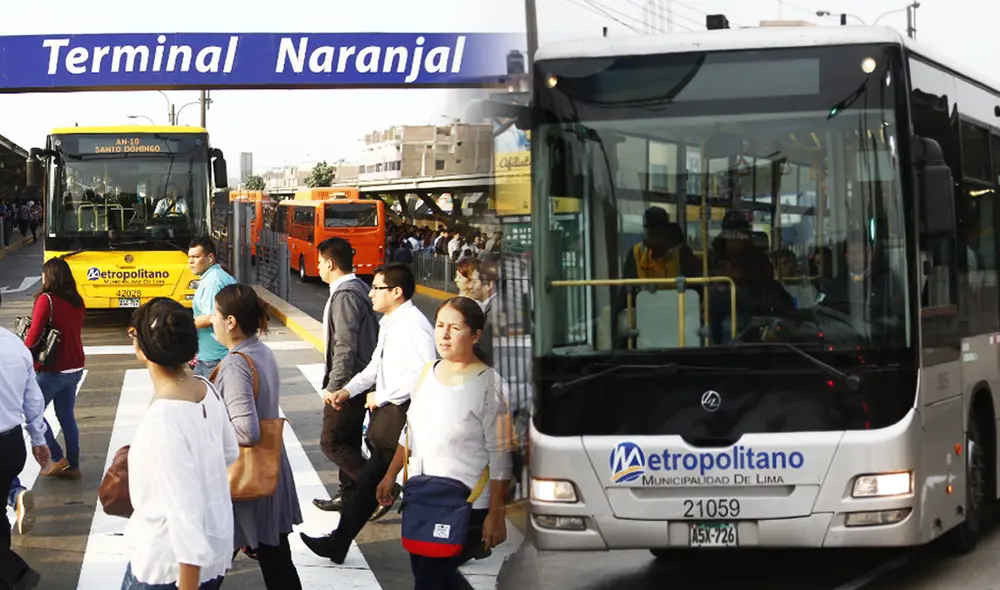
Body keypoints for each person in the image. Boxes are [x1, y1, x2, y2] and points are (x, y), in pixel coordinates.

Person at [301, 262, 436, 563]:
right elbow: (375, 366)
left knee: (373, 484)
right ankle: (339, 543)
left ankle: (454, 542)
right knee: (367, 487)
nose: (371, 293)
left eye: (377, 288)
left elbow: (423, 372)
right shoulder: (391, 322)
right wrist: (348, 390)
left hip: (400, 416)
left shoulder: (414, 326)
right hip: (387, 416)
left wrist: (382, 395)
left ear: (397, 292)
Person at [377, 296, 514, 590]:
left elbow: (502, 454)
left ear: (476, 335)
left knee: (429, 579)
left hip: (466, 503)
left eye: (455, 327)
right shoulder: (427, 373)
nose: (444, 334)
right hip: (422, 495)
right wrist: (390, 475)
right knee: (430, 575)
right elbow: (409, 431)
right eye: (440, 325)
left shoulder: (491, 385)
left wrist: (497, 514)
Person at [123, 297, 238, 590]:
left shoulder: (162, 419)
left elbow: (184, 517)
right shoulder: (205, 388)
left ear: (144, 347)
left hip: (168, 565)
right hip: (216, 545)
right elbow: (230, 451)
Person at [210, 285, 302, 589]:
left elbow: (246, 430)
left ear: (231, 322)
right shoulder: (259, 350)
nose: (211, 320)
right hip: (269, 469)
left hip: (246, 479)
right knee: (276, 559)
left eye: (215, 314)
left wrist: (209, 435)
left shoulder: (236, 363)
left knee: (211, 564)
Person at [312, 238, 379, 514]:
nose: (317, 268)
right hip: (358, 379)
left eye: (319, 262)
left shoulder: (345, 295)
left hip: (350, 383)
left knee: (331, 441)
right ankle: (349, 496)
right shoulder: (357, 288)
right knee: (349, 439)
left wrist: (334, 386)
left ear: (330, 263)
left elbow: (345, 345)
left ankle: (378, 488)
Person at [19, 256, 86, 480]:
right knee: (66, 415)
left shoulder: (46, 300)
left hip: (53, 369)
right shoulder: (77, 300)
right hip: (75, 366)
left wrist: (23, 357)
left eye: (44, 273)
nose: (42, 277)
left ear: (50, 276)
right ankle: (73, 465)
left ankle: (57, 458)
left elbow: (34, 335)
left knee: (32, 412)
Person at [0, 291, 49, 590]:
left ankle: (16, 571)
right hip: (11, 445)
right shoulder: (14, 346)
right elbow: (33, 399)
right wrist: (38, 438)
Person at [188, 236, 237, 378]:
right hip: (209, 355)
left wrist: (183, 327)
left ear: (210, 258)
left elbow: (211, 317)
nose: (191, 261)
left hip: (215, 357)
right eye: (189, 257)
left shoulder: (213, 281)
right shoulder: (213, 276)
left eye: (196, 257)